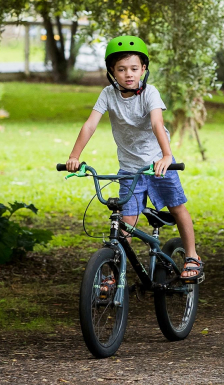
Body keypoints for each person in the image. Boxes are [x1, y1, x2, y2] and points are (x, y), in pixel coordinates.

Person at [64, 35, 203, 281]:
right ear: (111, 72)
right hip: (129, 168)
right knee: (126, 222)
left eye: (134, 68)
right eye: (121, 69)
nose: (128, 74)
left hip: (159, 164)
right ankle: (116, 271)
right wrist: (75, 156)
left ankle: (192, 255)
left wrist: (167, 156)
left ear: (144, 69)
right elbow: (90, 125)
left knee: (177, 206)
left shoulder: (150, 93)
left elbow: (157, 123)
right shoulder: (107, 94)